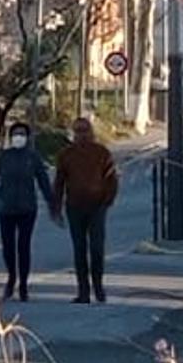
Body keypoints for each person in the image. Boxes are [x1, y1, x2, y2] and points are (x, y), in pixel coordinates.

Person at [0, 121, 53, 302]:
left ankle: (23, 284)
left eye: (22, 134)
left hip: (27, 208)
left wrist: (51, 201)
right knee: (8, 247)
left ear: (28, 137)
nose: (19, 137)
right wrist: (0, 193)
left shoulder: (33, 157)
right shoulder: (2, 156)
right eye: (16, 133)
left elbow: (43, 181)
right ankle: (11, 278)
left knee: (23, 246)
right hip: (6, 209)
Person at [53, 116, 118, 303]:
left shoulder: (102, 153)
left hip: (97, 207)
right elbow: (59, 182)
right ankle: (83, 291)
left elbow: (111, 179)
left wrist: (107, 201)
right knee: (79, 249)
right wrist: (56, 207)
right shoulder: (66, 155)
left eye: (84, 130)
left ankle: (98, 287)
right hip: (74, 207)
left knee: (97, 248)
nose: (81, 135)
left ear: (91, 132)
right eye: (77, 131)